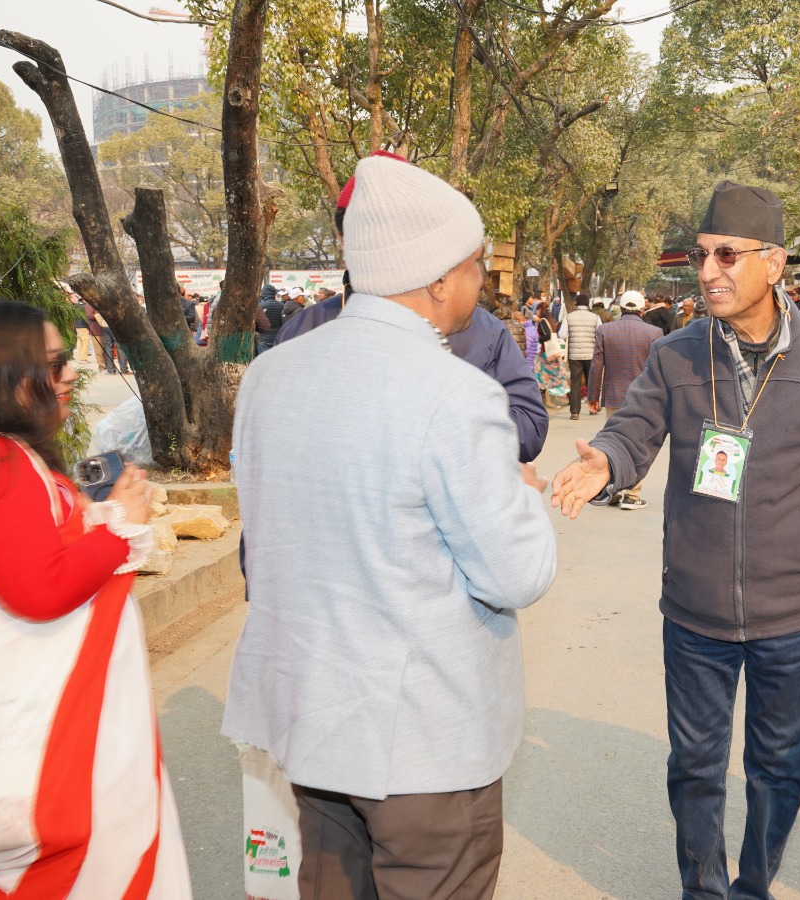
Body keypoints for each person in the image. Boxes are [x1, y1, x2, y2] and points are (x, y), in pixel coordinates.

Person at [224, 155, 558, 899]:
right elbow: (515, 573)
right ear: (438, 279)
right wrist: (524, 493)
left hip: (311, 722)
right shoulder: (455, 393)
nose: (480, 281)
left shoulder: (271, 376)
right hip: (424, 745)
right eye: (474, 265)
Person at [550, 181, 800, 899]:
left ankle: (754, 885)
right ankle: (703, 889)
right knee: (696, 768)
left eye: (726, 255)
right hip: (695, 610)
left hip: (794, 612)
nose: (707, 272)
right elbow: (635, 426)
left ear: (774, 262)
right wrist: (606, 459)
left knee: (780, 770)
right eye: (701, 255)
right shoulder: (676, 354)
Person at [0, 298, 190, 897]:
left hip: (43, 736)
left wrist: (100, 516)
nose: (70, 374)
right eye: (55, 363)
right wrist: (120, 525)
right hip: (53, 746)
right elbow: (41, 590)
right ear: (0, 375)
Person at [274, 151, 548, 462]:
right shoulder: (301, 334)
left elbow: (529, 427)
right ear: (342, 239)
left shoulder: (484, 331)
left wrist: (449, 424)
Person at [586, 290, 663, 510]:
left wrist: (593, 396)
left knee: (614, 441)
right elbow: (658, 369)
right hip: (643, 397)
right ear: (642, 308)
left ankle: (614, 488)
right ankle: (632, 494)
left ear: (621, 308)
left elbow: (596, 366)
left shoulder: (605, 330)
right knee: (639, 444)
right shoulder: (654, 332)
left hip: (613, 395)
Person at [563, 294, 603, 421]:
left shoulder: (569, 317)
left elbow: (562, 334)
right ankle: (593, 408)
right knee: (591, 381)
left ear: (576, 303)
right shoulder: (595, 317)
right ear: (588, 304)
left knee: (575, 382)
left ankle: (575, 412)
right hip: (591, 354)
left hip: (574, 355)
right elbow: (600, 334)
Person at [532, 301, 570, 410]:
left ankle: (549, 401)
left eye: (538, 310)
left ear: (540, 310)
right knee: (552, 377)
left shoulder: (542, 322)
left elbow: (547, 336)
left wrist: (538, 340)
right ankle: (551, 400)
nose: (537, 312)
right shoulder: (549, 321)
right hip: (550, 354)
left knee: (546, 378)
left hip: (546, 354)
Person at [254, 284, 286, 354]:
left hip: (263, 339)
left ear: (263, 294)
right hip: (277, 338)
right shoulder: (282, 306)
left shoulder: (259, 306)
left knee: (264, 359)